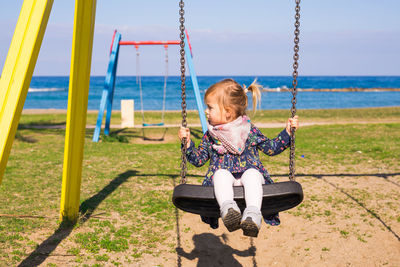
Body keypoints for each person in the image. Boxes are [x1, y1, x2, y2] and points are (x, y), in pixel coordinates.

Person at [178, 78, 299, 237]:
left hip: (251, 181)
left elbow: (271, 148)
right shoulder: (210, 136)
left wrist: (288, 133)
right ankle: (229, 211)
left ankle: (252, 216)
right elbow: (198, 159)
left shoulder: (249, 131)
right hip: (225, 183)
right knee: (220, 174)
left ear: (227, 111)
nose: (206, 111)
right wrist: (187, 144)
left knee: (252, 174)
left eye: (210, 107)